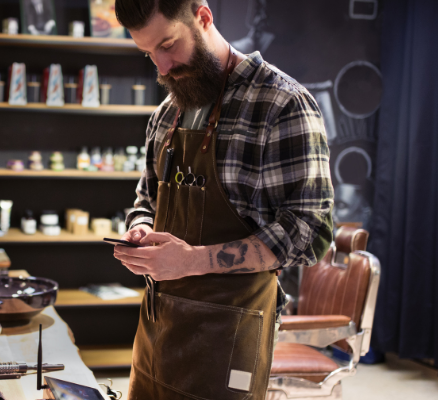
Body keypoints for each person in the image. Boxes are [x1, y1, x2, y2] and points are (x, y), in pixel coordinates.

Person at [112, 1, 334, 399]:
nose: (162, 68)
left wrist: (192, 260)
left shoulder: (281, 105)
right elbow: (146, 197)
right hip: (157, 330)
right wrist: (140, 228)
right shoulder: (166, 114)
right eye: (150, 54)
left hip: (229, 336)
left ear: (203, 18)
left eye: (168, 45)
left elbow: (309, 232)